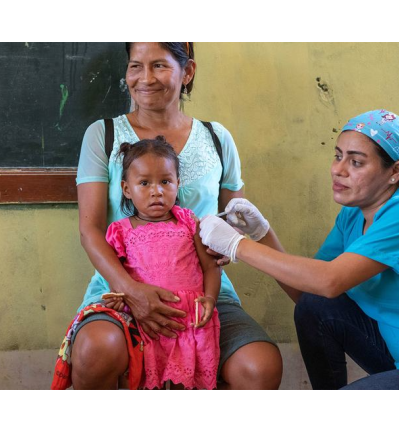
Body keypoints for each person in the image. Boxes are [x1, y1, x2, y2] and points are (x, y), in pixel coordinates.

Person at [200, 109, 399, 390]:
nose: (339, 170)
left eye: (356, 162)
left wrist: (237, 245)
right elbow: (310, 293)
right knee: (314, 308)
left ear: (395, 172)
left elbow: (330, 280)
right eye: (338, 155)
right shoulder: (354, 214)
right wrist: (262, 233)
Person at [53, 42, 283, 390]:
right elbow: (90, 230)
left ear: (187, 72)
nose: (145, 78)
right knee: (96, 349)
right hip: (120, 288)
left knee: (260, 367)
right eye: (135, 66)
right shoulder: (103, 135)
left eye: (159, 65)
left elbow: (231, 221)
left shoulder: (217, 138)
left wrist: (224, 246)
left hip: (204, 293)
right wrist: (131, 290)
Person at [101, 137, 220, 389]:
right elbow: (119, 280)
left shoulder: (188, 222)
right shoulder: (120, 232)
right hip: (146, 319)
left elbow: (210, 266)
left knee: (185, 384)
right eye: (144, 183)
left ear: (178, 183)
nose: (157, 191)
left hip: (190, 319)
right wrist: (118, 297)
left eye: (165, 181)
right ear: (126, 189)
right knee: (149, 381)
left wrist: (210, 298)